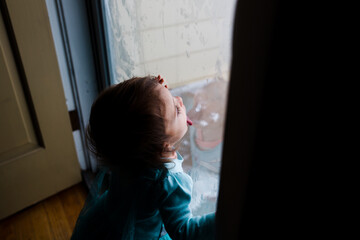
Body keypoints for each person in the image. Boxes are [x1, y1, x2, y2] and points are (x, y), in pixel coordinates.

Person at [71, 76, 216, 240]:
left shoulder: (126, 152)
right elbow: (184, 231)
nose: (180, 100)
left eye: (170, 93)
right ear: (161, 144)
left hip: (108, 224)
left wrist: (157, 94)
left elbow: (131, 116)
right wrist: (222, 220)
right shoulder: (170, 181)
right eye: (176, 110)